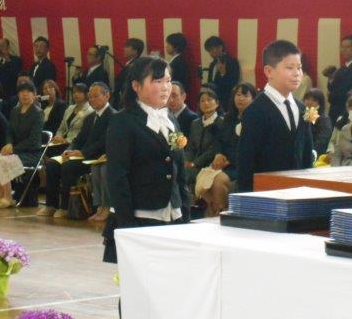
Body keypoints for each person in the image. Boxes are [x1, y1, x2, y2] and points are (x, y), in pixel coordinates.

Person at [103, 56, 191, 265]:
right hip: (140, 215)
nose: (166, 87)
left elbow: (179, 170)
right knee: (140, 280)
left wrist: (185, 209)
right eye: (157, 81)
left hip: (173, 213)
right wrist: (127, 225)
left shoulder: (171, 119)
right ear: (136, 86)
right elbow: (117, 176)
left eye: (168, 81)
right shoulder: (122, 121)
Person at [236, 40, 314, 192]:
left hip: (298, 192)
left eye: (299, 67)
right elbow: (246, 161)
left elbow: (306, 154)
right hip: (267, 195)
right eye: (289, 68)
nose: (297, 73)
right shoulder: (256, 111)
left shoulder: (302, 109)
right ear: (269, 71)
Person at [40, 82, 114, 218]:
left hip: (97, 157)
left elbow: (103, 142)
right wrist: (69, 150)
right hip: (82, 154)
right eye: (90, 97)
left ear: (107, 96)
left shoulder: (113, 116)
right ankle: (51, 205)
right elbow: (79, 139)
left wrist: (82, 153)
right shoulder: (90, 117)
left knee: (68, 167)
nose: (92, 100)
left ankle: (65, 207)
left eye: (96, 96)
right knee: (52, 164)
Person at [198, 82, 257, 217]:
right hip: (224, 164)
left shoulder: (255, 120)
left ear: (253, 99)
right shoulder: (228, 118)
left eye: (245, 95)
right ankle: (216, 210)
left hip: (241, 166)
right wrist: (218, 154)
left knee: (218, 181)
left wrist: (228, 160)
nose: (240, 98)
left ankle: (219, 212)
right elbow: (219, 141)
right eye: (238, 95)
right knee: (203, 181)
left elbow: (249, 149)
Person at [0, 81, 44, 209]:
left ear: (34, 95)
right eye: (22, 92)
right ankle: (0, 195)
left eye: (28, 92)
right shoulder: (15, 111)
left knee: (2, 162)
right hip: (15, 150)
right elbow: (9, 132)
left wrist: (14, 149)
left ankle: (8, 197)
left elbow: (33, 140)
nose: (25, 95)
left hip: (31, 153)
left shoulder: (38, 113)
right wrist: (9, 143)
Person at [184, 88, 225, 192]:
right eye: (202, 101)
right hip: (194, 164)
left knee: (185, 176)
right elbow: (190, 147)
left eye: (209, 100)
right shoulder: (195, 123)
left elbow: (214, 149)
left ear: (217, 103)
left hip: (211, 164)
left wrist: (195, 163)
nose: (206, 103)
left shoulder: (222, 123)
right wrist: (187, 161)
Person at [326, 35, 352, 124]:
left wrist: (332, 95)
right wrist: (330, 80)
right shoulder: (342, 69)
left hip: (348, 112)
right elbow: (332, 88)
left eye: (347, 47)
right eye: (342, 47)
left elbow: (348, 92)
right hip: (336, 112)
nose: (344, 50)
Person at [204, 36, 240, 111]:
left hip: (226, 99)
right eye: (209, 50)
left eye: (212, 49)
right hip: (213, 98)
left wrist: (222, 74)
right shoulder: (212, 64)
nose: (210, 53)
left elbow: (234, 82)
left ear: (220, 47)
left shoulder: (231, 61)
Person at [112, 38, 145, 109]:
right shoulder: (132, 64)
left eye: (127, 47)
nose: (124, 49)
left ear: (135, 51)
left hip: (127, 102)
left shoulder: (135, 65)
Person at [302, 88, 333, 155]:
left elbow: (322, 141)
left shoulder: (324, 120)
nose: (310, 102)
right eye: (307, 99)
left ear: (320, 103)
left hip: (315, 154)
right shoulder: (301, 116)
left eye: (314, 100)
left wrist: (309, 152)